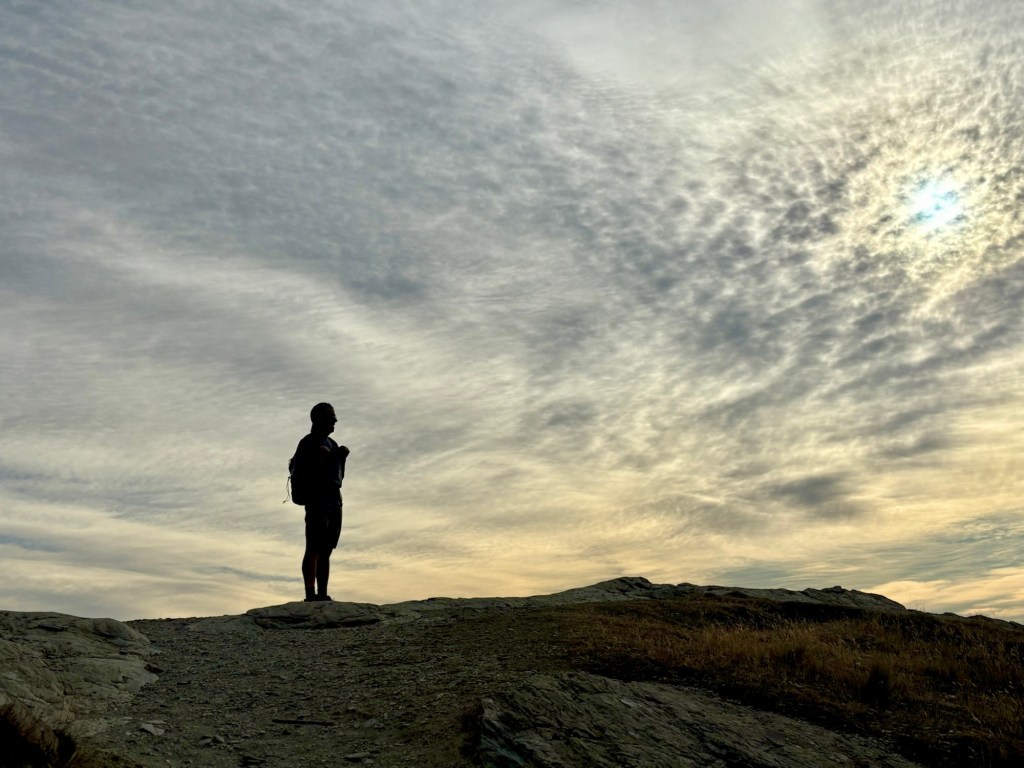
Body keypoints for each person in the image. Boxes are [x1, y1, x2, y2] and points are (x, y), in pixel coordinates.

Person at [292, 402, 349, 602]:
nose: (335, 420)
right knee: (314, 547)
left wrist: (341, 457)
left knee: (326, 549)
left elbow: (338, 477)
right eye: (330, 416)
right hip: (317, 499)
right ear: (318, 419)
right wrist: (320, 459)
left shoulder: (332, 443)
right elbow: (305, 473)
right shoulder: (307, 442)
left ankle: (322, 593)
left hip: (334, 498)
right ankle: (310, 594)